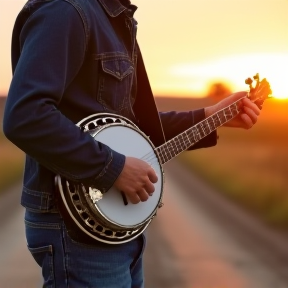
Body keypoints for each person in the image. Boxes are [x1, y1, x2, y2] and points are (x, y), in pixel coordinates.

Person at [3, 0, 261, 287]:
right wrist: (113, 167)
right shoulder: (66, 10)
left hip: (114, 228)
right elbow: (25, 116)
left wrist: (210, 117)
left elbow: (133, 129)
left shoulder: (113, 17)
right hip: (75, 229)